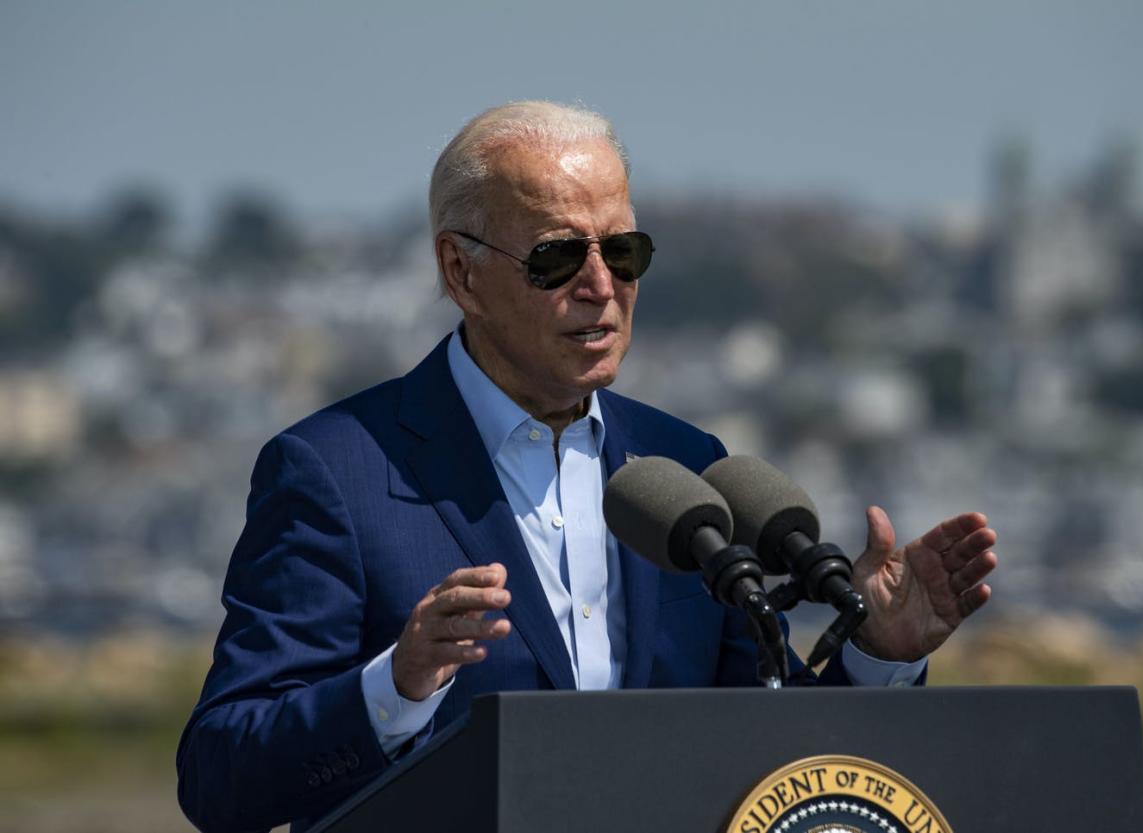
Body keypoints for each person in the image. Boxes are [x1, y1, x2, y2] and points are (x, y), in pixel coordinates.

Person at [176, 101, 998, 833]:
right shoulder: (334, 473)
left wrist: (878, 651)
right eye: (556, 257)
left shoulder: (688, 470)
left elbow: (774, 760)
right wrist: (396, 684)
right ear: (461, 272)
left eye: (624, 250)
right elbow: (220, 776)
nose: (601, 286)